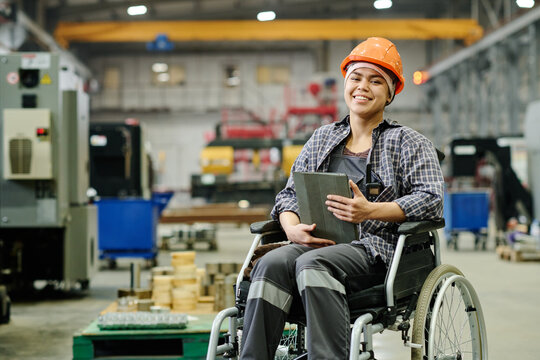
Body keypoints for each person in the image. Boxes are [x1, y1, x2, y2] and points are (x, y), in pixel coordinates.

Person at [240, 37, 444, 360]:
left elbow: (431, 199)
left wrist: (370, 211)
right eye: (356, 78)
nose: (363, 86)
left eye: (376, 80)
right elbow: (288, 196)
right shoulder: (322, 138)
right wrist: (291, 228)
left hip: (376, 253)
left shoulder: (408, 142)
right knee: (270, 265)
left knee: (311, 264)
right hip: (315, 244)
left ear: (391, 91)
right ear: (345, 84)